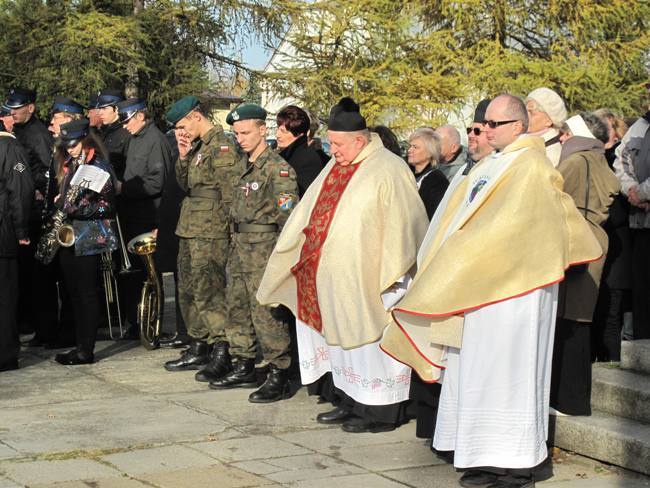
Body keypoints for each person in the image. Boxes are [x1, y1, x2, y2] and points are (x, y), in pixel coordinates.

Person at [382, 94, 601, 488]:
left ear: (517, 126)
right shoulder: (494, 163)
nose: (484, 130)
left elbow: (517, 231)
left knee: (509, 374)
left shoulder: (530, 166)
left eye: (493, 124)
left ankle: (515, 463)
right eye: (482, 124)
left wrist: (466, 261)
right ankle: (482, 454)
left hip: (515, 293)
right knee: (477, 371)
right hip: (481, 287)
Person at [257, 97, 428, 432]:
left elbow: (406, 224)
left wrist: (393, 275)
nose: (331, 150)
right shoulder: (338, 165)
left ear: (359, 140)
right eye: (331, 143)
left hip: (371, 279)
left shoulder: (388, 168)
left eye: (336, 144)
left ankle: (380, 412)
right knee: (342, 345)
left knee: (370, 346)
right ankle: (350, 400)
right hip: (333, 278)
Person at [208, 103, 299, 402]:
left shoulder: (278, 168)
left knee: (267, 314)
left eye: (246, 132)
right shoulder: (241, 166)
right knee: (237, 309)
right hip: (239, 248)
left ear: (263, 130)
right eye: (236, 134)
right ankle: (243, 363)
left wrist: (282, 256)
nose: (240, 138)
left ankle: (278, 372)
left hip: (264, 250)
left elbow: (290, 215)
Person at [550, 113, 619, 416]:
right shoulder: (595, 158)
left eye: (565, 132)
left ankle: (569, 401)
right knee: (575, 321)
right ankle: (570, 400)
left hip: (575, 245)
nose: (562, 138)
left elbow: (554, 198)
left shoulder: (577, 161)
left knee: (571, 323)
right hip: (590, 243)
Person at [162, 96, 238, 372]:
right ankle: (198, 343)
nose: (180, 132)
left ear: (196, 116)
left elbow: (230, 193)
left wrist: (231, 231)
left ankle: (222, 347)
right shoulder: (197, 148)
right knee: (188, 290)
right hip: (190, 226)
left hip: (212, 230)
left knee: (210, 291)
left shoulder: (222, 146)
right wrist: (183, 156)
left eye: (182, 126)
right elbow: (185, 184)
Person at [52, 119, 118, 365]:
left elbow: (107, 205)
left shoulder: (99, 165)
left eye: (74, 144)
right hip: (71, 235)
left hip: (89, 235)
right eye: (66, 145)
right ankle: (79, 344)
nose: (70, 149)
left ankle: (85, 350)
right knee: (74, 294)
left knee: (87, 293)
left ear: (86, 140)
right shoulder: (70, 164)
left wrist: (73, 207)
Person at [115, 98, 171, 338]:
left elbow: (158, 182)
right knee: (136, 275)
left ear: (139, 116)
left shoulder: (154, 140)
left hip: (147, 216)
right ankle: (138, 322)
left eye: (127, 120)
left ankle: (151, 324)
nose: (125, 126)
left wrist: (123, 189)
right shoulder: (135, 138)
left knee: (149, 274)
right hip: (132, 214)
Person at [5, 88, 56, 341]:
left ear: (31, 108)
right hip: (24, 208)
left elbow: (48, 170)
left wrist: (35, 188)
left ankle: (44, 328)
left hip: (35, 211)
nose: (12, 112)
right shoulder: (19, 131)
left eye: (18, 107)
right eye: (10, 108)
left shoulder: (37, 134)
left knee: (38, 275)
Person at [613, 107, 650, 340]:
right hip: (642, 226)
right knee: (643, 297)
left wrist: (644, 192)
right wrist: (632, 192)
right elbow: (620, 162)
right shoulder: (640, 127)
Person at [0, 121, 33, 371]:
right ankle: (5, 355)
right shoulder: (9, 146)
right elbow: (20, 190)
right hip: (3, 232)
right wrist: (22, 229)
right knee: (5, 296)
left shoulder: (8, 146)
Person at [276, 105, 323, 197]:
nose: (277, 134)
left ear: (299, 134)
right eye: (277, 129)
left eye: (283, 131)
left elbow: (302, 198)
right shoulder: (283, 156)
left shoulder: (308, 161)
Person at [406, 128, 449, 219]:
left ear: (430, 153)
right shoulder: (405, 173)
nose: (410, 150)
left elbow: (434, 216)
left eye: (415, 147)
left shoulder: (437, 181)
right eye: (410, 146)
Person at [525, 87, 567, 167]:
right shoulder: (526, 141)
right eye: (525, 111)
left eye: (531, 112)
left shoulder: (551, 154)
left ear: (549, 120)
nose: (526, 116)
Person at [95, 89, 130, 179]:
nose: (100, 112)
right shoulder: (103, 131)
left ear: (117, 109)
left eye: (104, 108)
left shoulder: (127, 132)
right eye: (99, 108)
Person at [466, 99, 494, 165]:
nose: (470, 135)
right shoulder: (462, 169)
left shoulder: (499, 167)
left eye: (477, 131)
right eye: (469, 130)